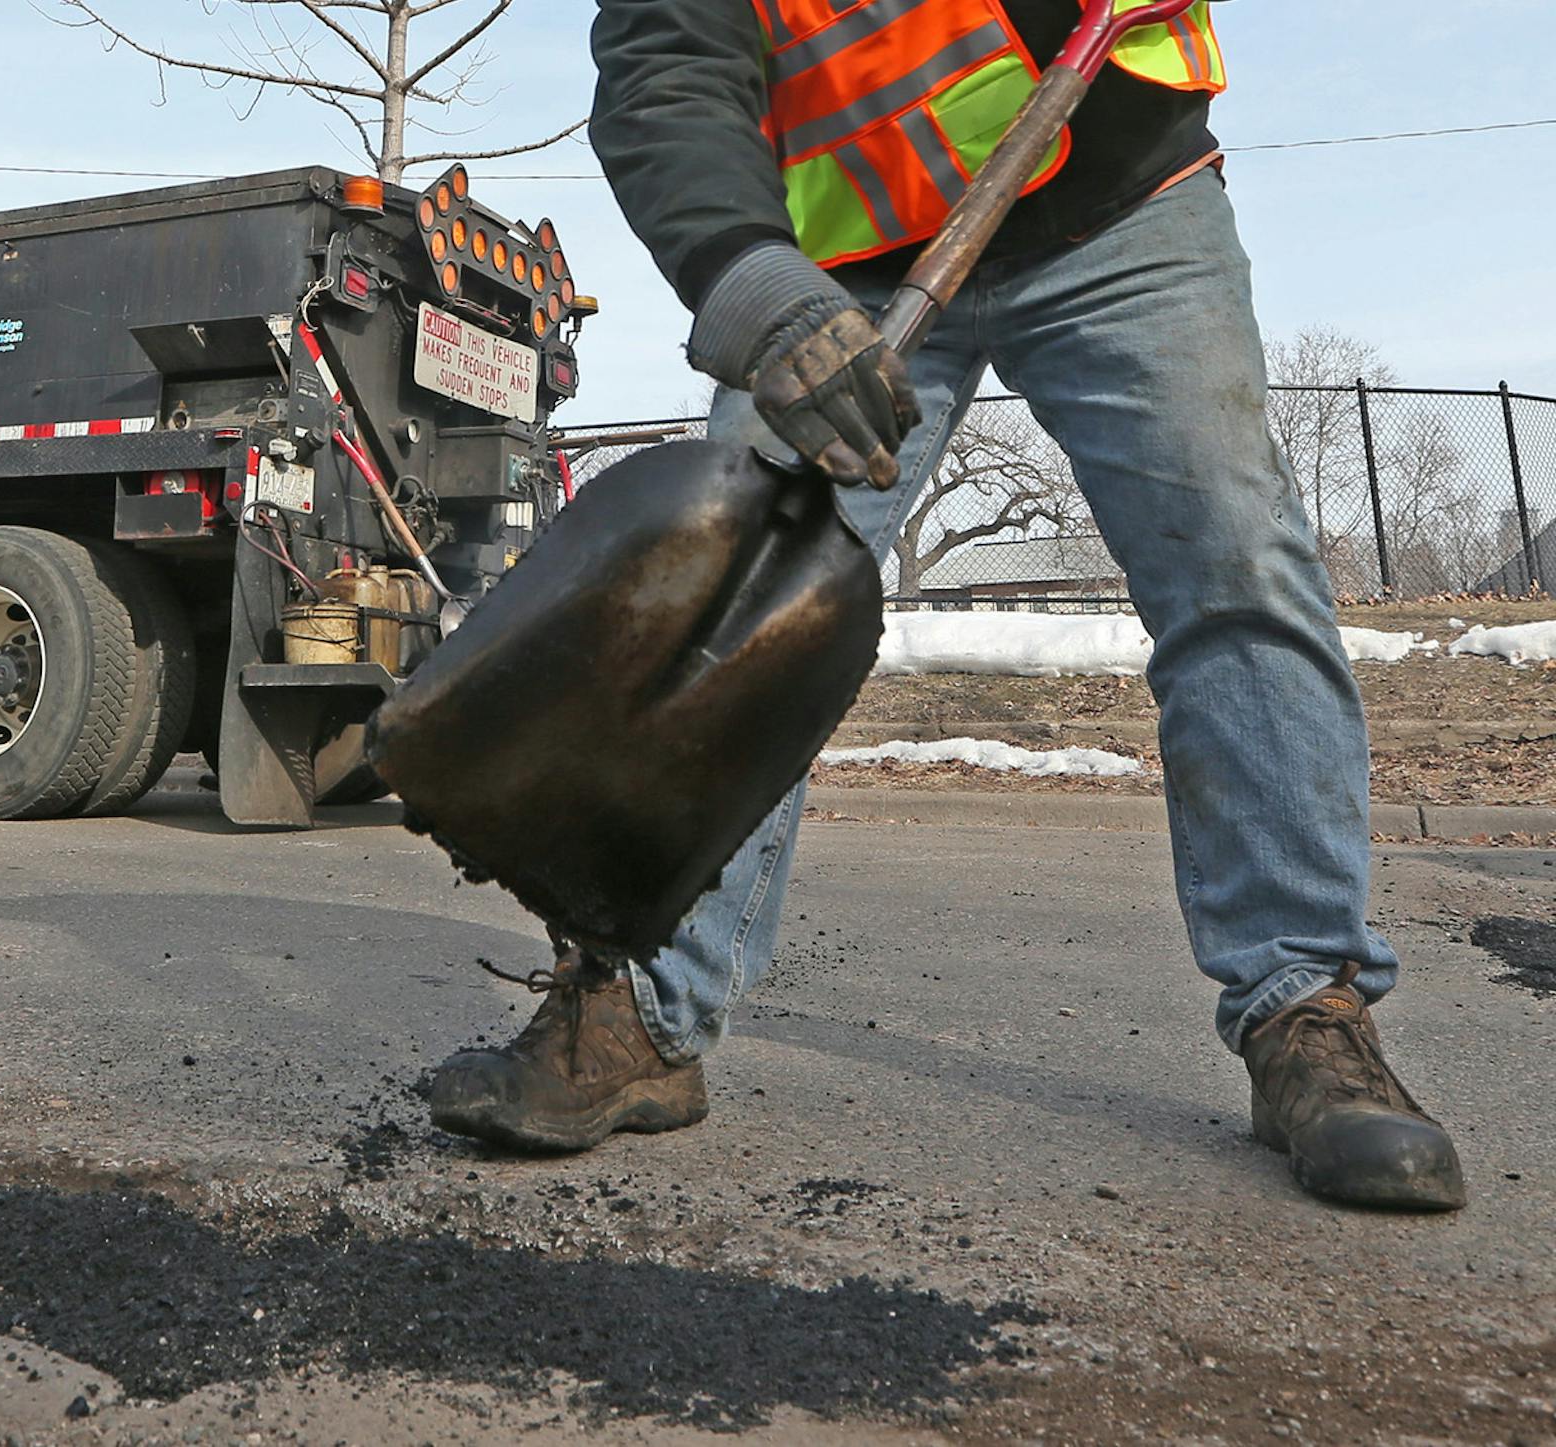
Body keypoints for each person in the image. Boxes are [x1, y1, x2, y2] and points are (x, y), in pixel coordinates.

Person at [426, 0, 1467, 1212]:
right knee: (730, 605)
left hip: (1114, 201)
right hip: (843, 274)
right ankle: (641, 1009)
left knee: (1237, 570)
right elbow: (668, 60)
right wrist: (754, 284)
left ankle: (1305, 1007)